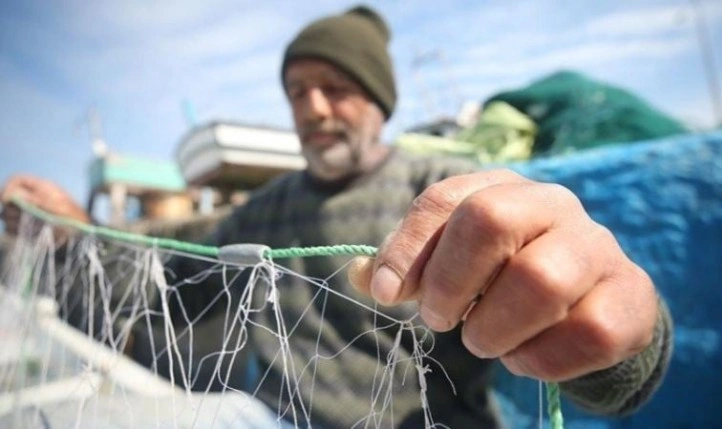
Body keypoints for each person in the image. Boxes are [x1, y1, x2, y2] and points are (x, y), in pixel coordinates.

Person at [1, 5, 671, 428]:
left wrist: (617, 338)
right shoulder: (262, 211)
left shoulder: (442, 190)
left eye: (339, 89)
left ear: (380, 100)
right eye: (299, 92)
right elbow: (160, 297)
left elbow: (617, 379)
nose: (315, 108)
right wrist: (64, 240)